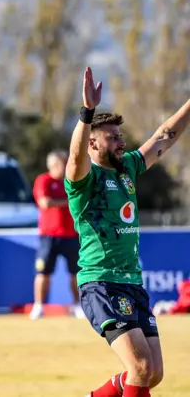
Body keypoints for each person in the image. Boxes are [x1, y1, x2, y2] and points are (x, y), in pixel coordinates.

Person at [66, 67, 190, 397]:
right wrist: (87, 113)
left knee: (154, 374)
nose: (122, 142)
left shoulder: (129, 169)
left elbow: (165, 136)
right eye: (113, 137)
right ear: (93, 141)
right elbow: (75, 157)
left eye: (121, 137)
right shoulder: (84, 180)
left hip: (132, 283)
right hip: (102, 283)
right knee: (140, 368)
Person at [29, 150, 85, 320]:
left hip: (71, 235)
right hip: (49, 236)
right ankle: (38, 306)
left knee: (76, 273)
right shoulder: (44, 180)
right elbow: (45, 202)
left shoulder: (71, 182)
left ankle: (77, 306)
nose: (67, 165)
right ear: (53, 165)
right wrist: (68, 202)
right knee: (43, 272)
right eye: (63, 162)